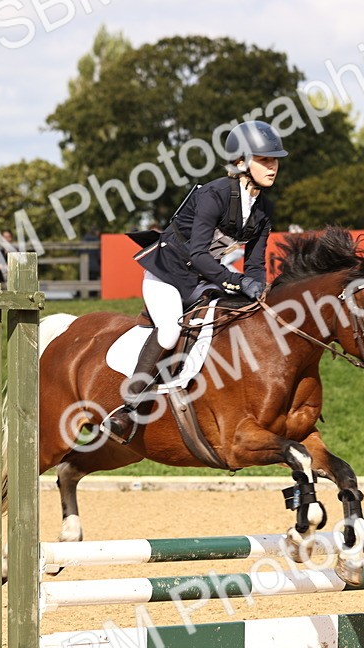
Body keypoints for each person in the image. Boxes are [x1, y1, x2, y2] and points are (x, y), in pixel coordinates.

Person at [101, 119, 285, 443]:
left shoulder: (262, 209)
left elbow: (255, 263)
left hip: (203, 278)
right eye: (265, 160)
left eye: (275, 160)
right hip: (167, 275)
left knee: (238, 319)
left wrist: (257, 290)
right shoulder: (214, 194)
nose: (273, 167)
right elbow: (199, 253)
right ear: (241, 162)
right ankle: (128, 409)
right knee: (170, 331)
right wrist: (237, 280)